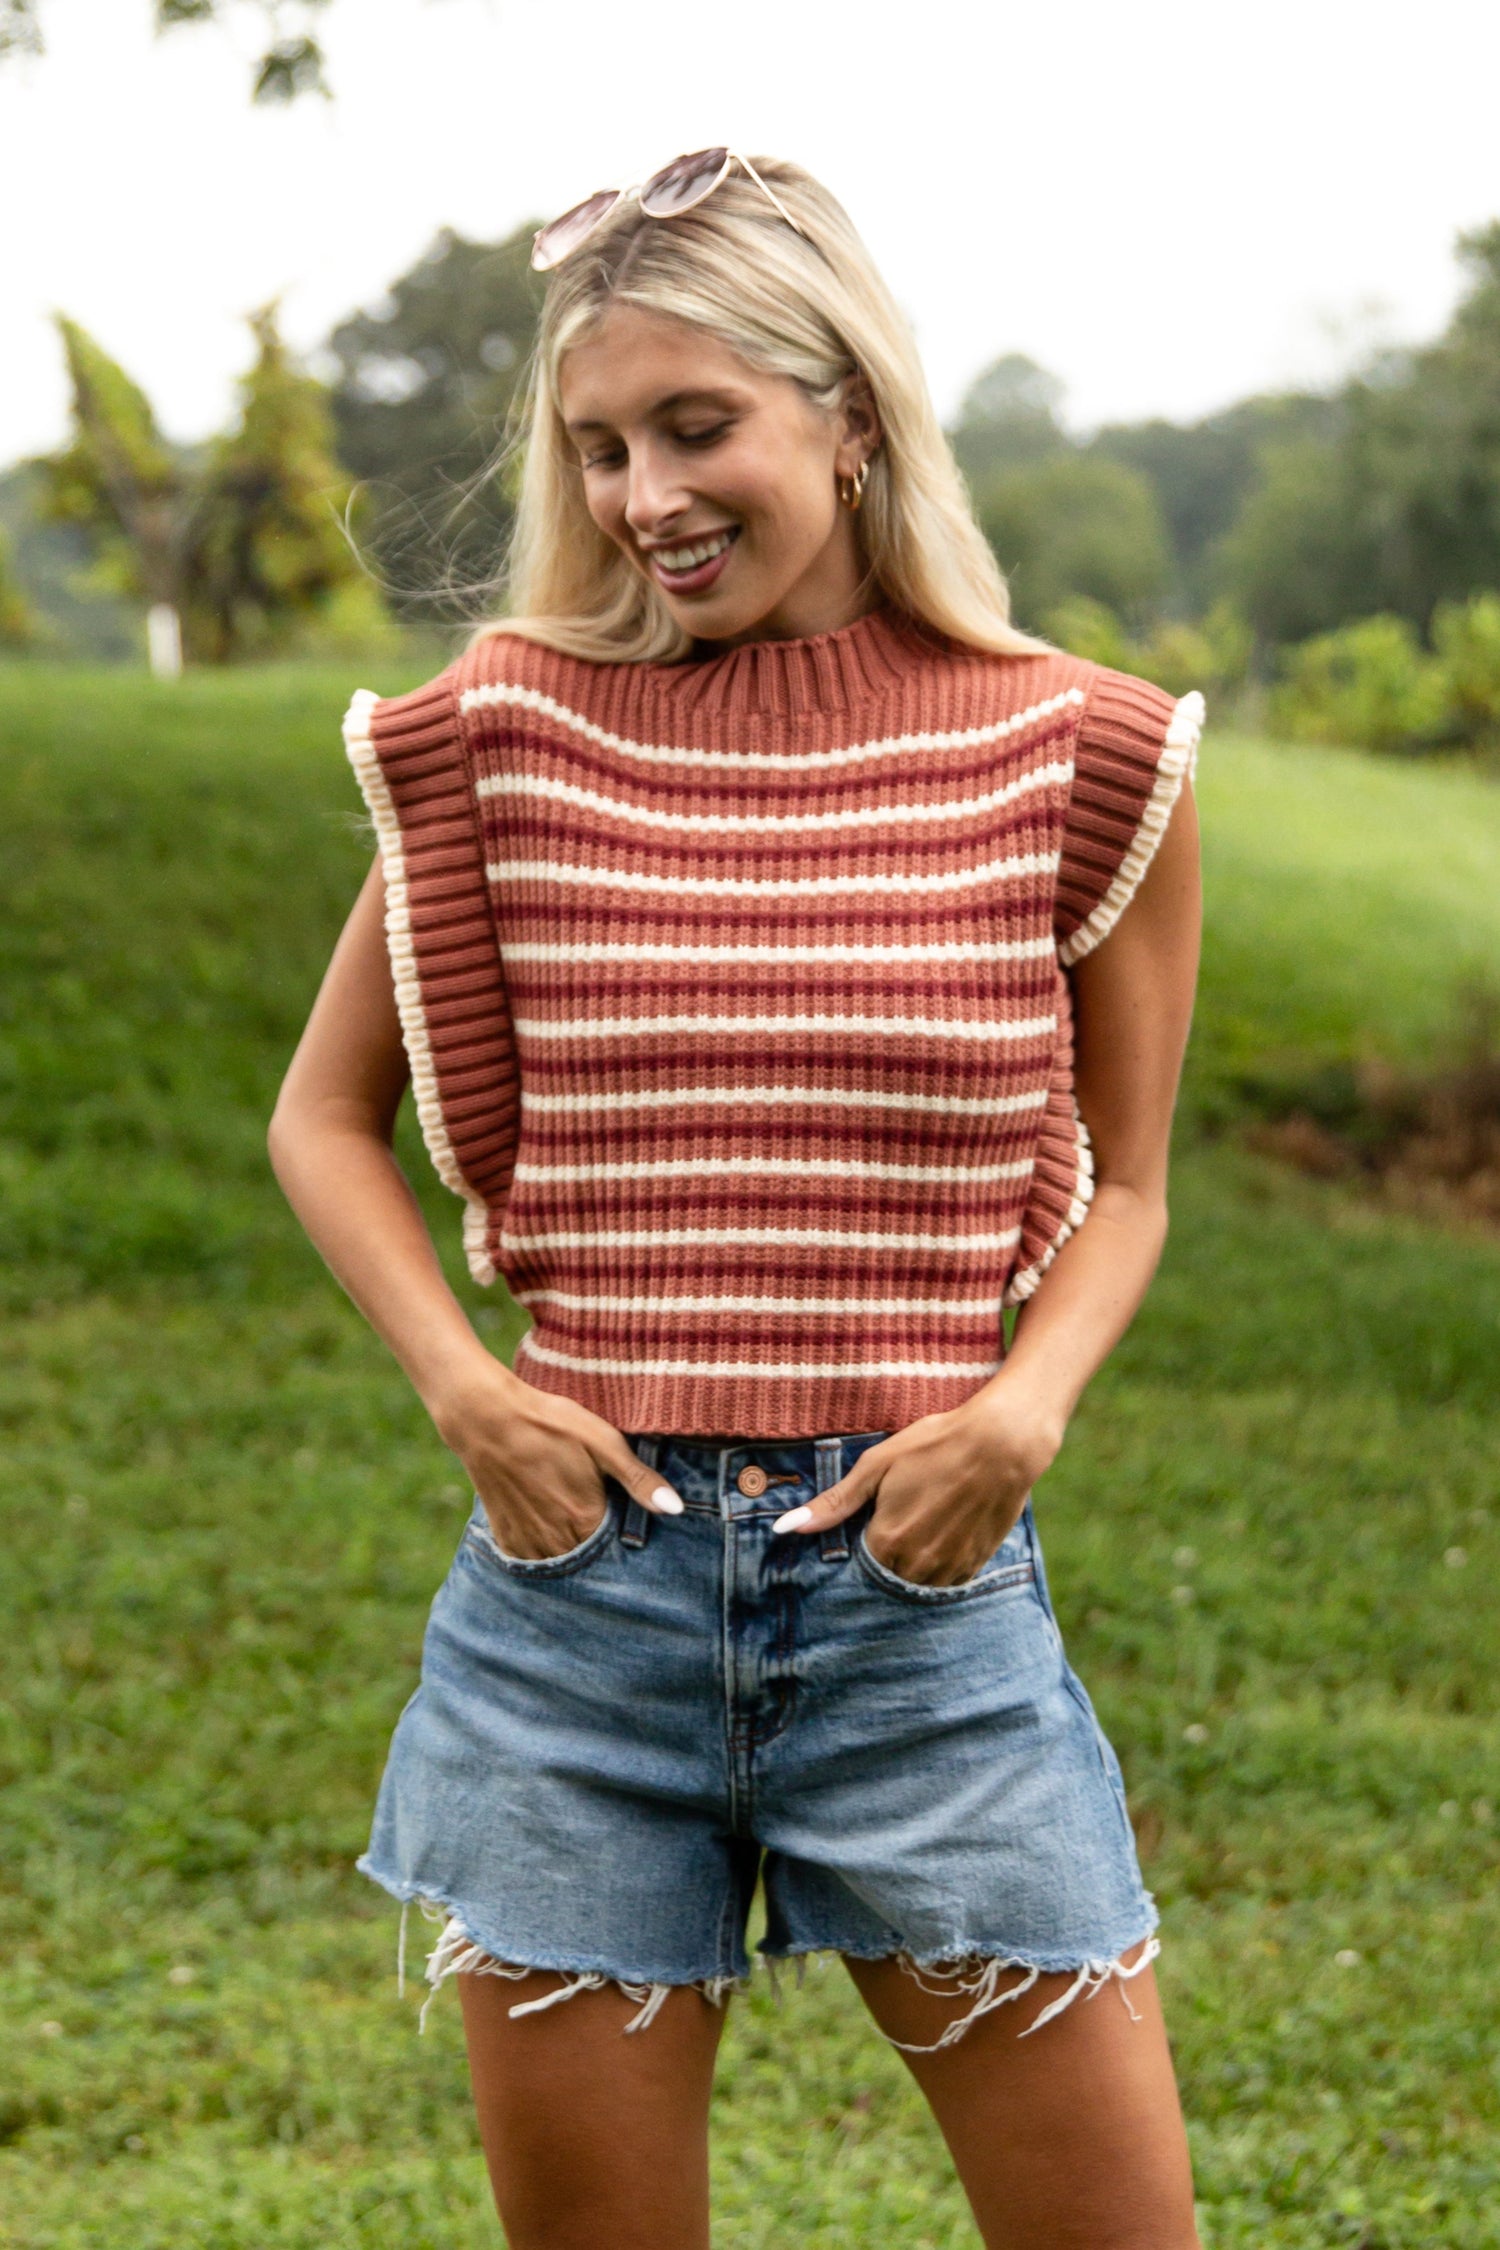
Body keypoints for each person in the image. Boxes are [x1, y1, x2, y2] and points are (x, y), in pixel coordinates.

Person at [269, 149, 1204, 2250]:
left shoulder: (1078, 752)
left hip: (924, 1606)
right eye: (598, 446)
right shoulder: (505, 731)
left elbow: (1134, 1182)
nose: (640, 496)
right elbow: (321, 1119)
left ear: (849, 415)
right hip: (576, 1607)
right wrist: (465, 1392)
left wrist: (1022, 1408)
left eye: (698, 428)